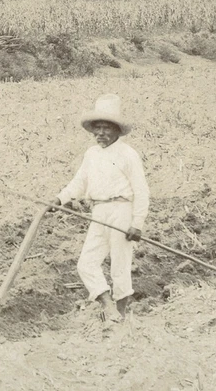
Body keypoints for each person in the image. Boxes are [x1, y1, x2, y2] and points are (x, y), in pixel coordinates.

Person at [50, 93, 150, 323]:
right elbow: (79, 183)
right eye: (98, 128)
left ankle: (120, 315)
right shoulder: (91, 154)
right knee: (86, 263)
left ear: (116, 130)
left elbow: (142, 191)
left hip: (121, 210)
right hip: (99, 212)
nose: (101, 133)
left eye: (106, 128)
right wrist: (59, 199)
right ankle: (108, 306)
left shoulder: (128, 154)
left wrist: (137, 224)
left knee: (120, 265)